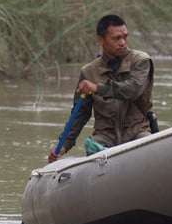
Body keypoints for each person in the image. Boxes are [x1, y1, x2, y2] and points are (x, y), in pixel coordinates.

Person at [47, 14, 154, 162]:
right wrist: (63, 144)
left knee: (148, 147)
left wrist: (98, 88)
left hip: (136, 131)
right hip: (105, 136)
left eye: (125, 37)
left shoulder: (141, 61)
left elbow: (132, 90)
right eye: (117, 38)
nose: (123, 42)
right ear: (100, 40)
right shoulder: (89, 72)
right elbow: (80, 114)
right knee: (93, 151)